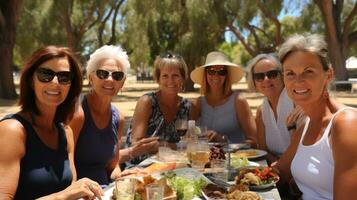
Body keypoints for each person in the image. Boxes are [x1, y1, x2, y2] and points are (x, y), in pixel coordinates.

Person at [0, 46, 103, 199]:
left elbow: (71, 188)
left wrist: (81, 187)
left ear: (71, 85)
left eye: (64, 77)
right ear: (30, 80)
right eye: (45, 74)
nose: (55, 82)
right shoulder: (13, 130)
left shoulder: (66, 132)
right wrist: (61, 196)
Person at [274, 34, 357, 199]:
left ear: (328, 75)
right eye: (290, 73)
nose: (298, 81)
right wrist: (239, 174)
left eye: (308, 71)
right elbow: (280, 170)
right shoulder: (306, 124)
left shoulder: (346, 123)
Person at [69, 45, 130, 186]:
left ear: (122, 82)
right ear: (91, 78)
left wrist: (123, 177)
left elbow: (113, 166)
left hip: (105, 191)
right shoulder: (78, 112)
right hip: (79, 191)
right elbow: (65, 164)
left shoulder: (118, 118)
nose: (110, 80)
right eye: (102, 74)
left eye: (117, 75)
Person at [125, 52, 190, 166]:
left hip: (173, 167)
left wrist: (161, 145)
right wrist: (176, 146)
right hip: (140, 166)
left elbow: (190, 144)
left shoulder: (187, 107)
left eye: (175, 75)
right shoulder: (147, 102)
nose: (170, 81)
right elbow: (138, 144)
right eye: (165, 76)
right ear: (158, 79)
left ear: (183, 78)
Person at [246, 53, 304, 164]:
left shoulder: (298, 102)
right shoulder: (261, 111)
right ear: (254, 82)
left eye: (272, 74)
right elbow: (263, 150)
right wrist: (277, 164)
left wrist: (280, 167)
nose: (266, 80)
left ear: (282, 75)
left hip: (299, 170)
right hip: (276, 170)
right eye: (259, 77)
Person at [190, 51, 256, 145]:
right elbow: (188, 136)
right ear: (205, 74)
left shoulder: (238, 101)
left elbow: (254, 141)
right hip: (204, 157)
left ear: (227, 75)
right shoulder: (198, 103)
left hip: (233, 158)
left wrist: (224, 140)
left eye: (222, 71)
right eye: (211, 71)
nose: (216, 76)